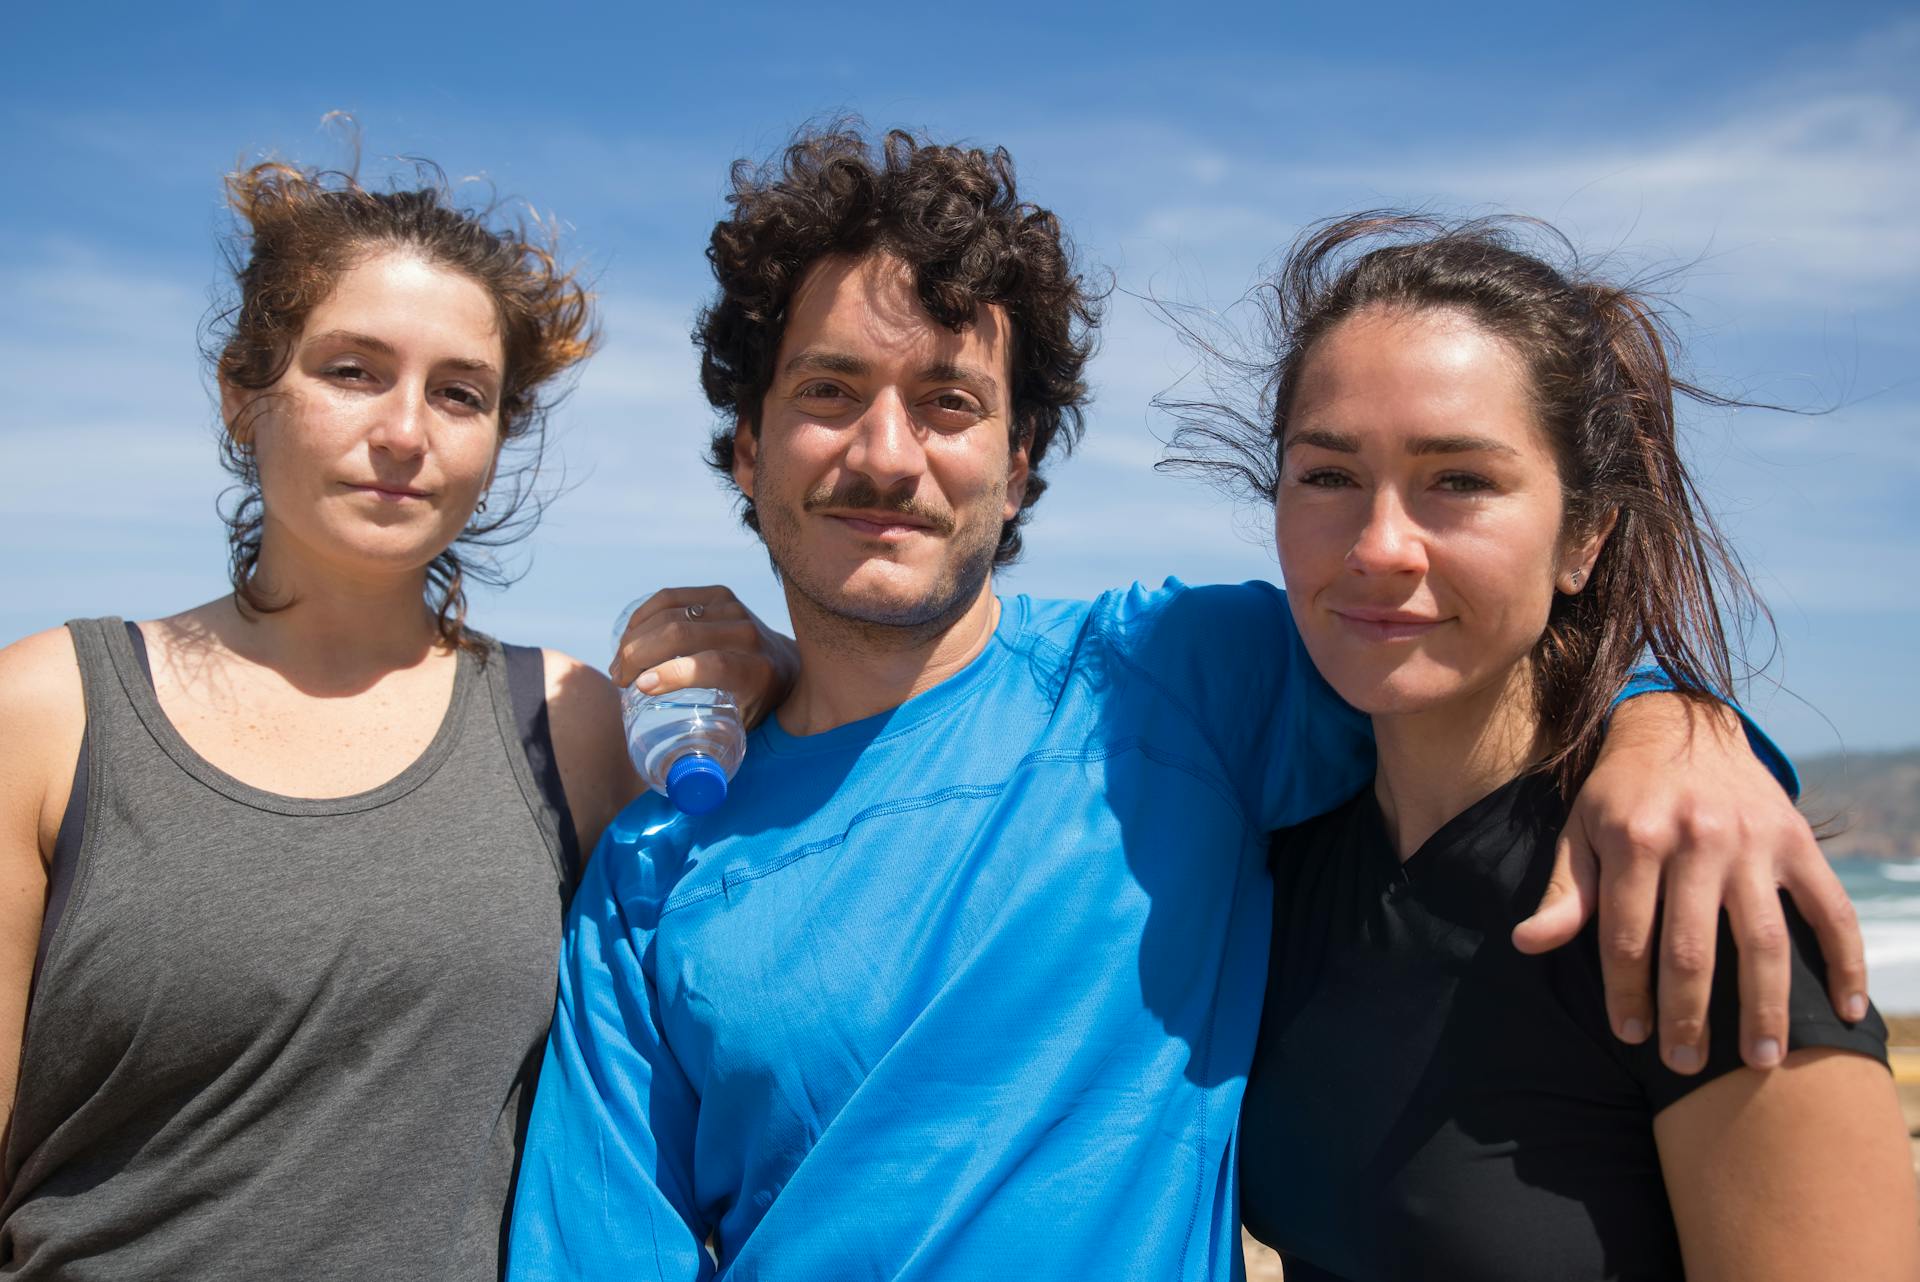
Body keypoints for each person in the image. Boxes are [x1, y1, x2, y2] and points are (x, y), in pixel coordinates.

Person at [505, 128, 1864, 1281]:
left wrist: (1672, 723)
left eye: (949, 400)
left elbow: (1451, 642)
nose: (886, 452)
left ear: (1019, 462)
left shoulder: (1183, 675)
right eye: (828, 393)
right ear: (749, 449)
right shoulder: (658, 859)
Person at [0, 157, 791, 1280]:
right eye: (353, 371)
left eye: (459, 392)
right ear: (242, 388)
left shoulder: (572, 728)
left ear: (498, 434)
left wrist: (777, 663)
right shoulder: (47, 712)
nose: (406, 430)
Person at [1207, 213, 1920, 1280]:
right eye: (1327, 474)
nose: (1379, 548)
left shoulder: (1695, 897)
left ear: (1584, 535)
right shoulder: (1290, 864)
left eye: (1460, 480)